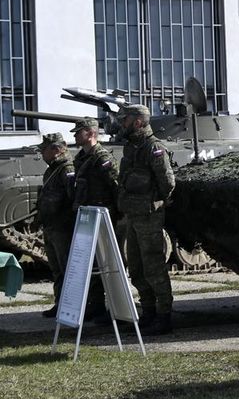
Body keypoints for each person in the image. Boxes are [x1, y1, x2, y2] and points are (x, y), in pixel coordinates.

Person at [116, 104, 175, 334]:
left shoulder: (154, 148)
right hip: (133, 215)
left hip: (149, 216)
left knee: (154, 267)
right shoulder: (131, 148)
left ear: (138, 122)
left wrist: (154, 202)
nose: (123, 124)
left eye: (126, 120)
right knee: (137, 268)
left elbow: (168, 183)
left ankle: (164, 315)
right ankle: (148, 312)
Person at [70, 117, 117, 326]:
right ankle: (96, 306)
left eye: (78, 132)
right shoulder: (82, 158)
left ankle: (114, 309)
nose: (75, 135)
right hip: (88, 216)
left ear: (90, 134)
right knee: (91, 265)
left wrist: (115, 214)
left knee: (107, 264)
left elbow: (115, 185)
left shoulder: (102, 157)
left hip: (102, 216)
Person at [35, 132, 76, 319]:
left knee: (66, 267)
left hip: (62, 226)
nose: (42, 154)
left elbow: (73, 197)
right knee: (57, 269)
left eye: (44, 150)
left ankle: (71, 306)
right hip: (51, 226)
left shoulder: (67, 169)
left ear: (57, 149)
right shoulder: (52, 169)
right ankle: (60, 303)